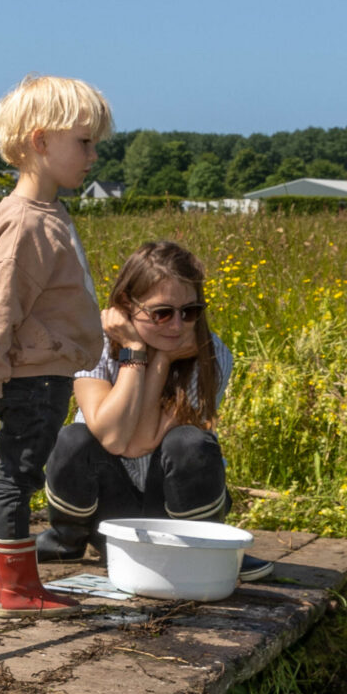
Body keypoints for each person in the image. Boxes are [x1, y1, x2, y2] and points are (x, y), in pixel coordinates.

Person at [0, 74, 107, 612]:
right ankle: (19, 589)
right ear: (40, 142)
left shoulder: (50, 213)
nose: (93, 156)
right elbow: (0, 310)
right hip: (33, 376)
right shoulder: (26, 222)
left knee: (12, 472)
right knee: (18, 476)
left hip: (48, 369)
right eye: (84, 142)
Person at [40, 239, 233, 559]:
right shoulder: (93, 344)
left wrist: (161, 362)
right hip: (107, 515)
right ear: (127, 306)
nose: (177, 325)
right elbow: (113, 438)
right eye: (162, 313)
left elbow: (139, 441)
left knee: (189, 443)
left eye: (190, 311)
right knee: (74, 437)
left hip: (178, 516)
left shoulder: (210, 353)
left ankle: (203, 552)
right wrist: (134, 354)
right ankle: (68, 541)